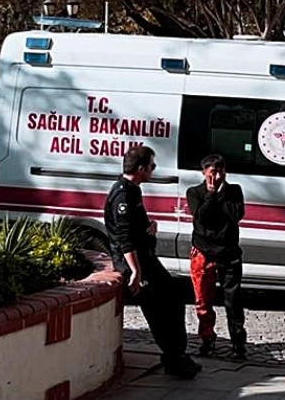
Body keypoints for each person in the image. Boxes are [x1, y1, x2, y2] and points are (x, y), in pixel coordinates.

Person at [104, 146, 201, 379]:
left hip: (146, 258)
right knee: (157, 311)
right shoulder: (123, 195)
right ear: (141, 168)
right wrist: (135, 272)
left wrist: (149, 229)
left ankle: (177, 354)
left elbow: (134, 230)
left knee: (174, 298)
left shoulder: (132, 190)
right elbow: (125, 239)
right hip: (136, 265)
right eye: (152, 166)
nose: (153, 170)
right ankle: (173, 359)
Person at [186, 154, 247, 360]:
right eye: (213, 172)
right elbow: (201, 217)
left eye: (221, 171)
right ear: (204, 173)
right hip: (204, 252)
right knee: (203, 300)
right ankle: (207, 339)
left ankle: (238, 344)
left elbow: (236, 214)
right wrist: (211, 195)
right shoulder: (195, 192)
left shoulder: (234, 191)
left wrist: (220, 196)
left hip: (229, 253)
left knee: (233, 300)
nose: (218, 176)